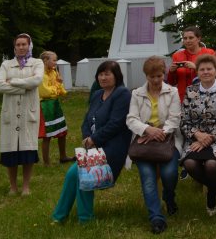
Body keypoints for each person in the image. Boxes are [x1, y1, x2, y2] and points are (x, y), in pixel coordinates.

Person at [51, 60, 132, 223]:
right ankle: (59, 217)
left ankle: (85, 219)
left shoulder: (123, 94)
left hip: (113, 147)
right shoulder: (96, 94)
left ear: (116, 76)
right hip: (94, 146)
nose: (103, 77)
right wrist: (87, 137)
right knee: (72, 174)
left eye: (107, 74)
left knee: (82, 173)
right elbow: (87, 120)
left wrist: (94, 139)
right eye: (100, 74)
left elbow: (116, 123)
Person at [126, 56, 182, 234]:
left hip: (168, 139)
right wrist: (147, 130)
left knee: (169, 173)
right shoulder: (137, 93)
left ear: (164, 74)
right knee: (148, 178)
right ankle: (156, 218)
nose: (157, 80)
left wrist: (161, 132)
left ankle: (168, 196)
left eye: (159, 76)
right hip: (144, 142)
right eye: (152, 77)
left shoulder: (172, 92)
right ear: (146, 76)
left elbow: (175, 118)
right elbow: (131, 119)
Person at [180, 54, 216, 216]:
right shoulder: (190, 92)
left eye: (209, 69)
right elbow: (184, 121)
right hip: (196, 138)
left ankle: (211, 198)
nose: (205, 72)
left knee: (212, 165)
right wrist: (197, 135)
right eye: (202, 69)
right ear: (197, 72)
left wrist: (209, 138)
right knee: (190, 164)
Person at [0, 33, 44, 196]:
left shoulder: (36, 63)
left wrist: (13, 82)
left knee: (27, 151)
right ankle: (13, 186)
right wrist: (25, 87)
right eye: (18, 44)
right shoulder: (6, 64)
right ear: (14, 47)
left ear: (29, 46)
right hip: (10, 113)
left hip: (27, 113)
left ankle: (26, 187)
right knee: (10, 152)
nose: (21, 47)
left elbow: (36, 81)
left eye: (24, 44)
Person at [38, 51, 74, 166]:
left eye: (56, 60)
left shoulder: (54, 72)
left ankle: (63, 157)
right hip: (45, 105)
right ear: (45, 61)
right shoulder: (41, 75)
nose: (55, 62)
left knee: (62, 131)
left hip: (55, 104)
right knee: (47, 134)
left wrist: (58, 86)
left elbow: (62, 91)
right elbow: (45, 92)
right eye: (53, 60)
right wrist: (57, 87)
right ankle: (46, 162)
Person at [167, 26, 216, 101]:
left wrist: (196, 68)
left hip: (205, 96)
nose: (187, 40)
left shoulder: (209, 53)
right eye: (185, 38)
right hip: (183, 97)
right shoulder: (177, 55)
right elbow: (172, 82)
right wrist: (171, 72)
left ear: (198, 39)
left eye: (191, 37)